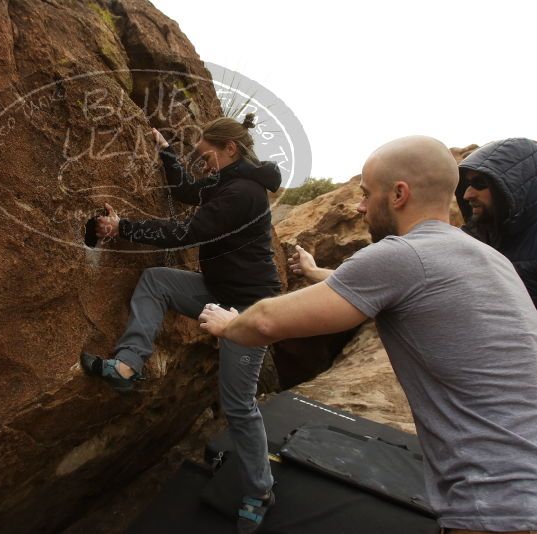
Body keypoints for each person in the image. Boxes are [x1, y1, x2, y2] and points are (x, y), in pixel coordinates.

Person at [200, 136, 537, 534]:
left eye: (365, 193)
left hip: (498, 504)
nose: (359, 207)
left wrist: (228, 324)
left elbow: (265, 322)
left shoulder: (400, 255)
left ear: (398, 194)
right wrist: (313, 272)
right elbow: (384, 291)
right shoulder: (487, 258)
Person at [81, 114, 282, 533]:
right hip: (216, 290)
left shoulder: (243, 192)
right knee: (157, 281)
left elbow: (187, 231)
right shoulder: (226, 181)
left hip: (249, 308)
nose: (204, 162)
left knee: (239, 405)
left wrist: (124, 228)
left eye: (208, 155)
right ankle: (128, 364)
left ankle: (260, 490)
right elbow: (189, 191)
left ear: (230, 149)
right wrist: (165, 151)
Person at [455, 138, 537, 308]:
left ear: (514, 186)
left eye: (479, 184)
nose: (467, 195)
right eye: (467, 184)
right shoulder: (471, 240)